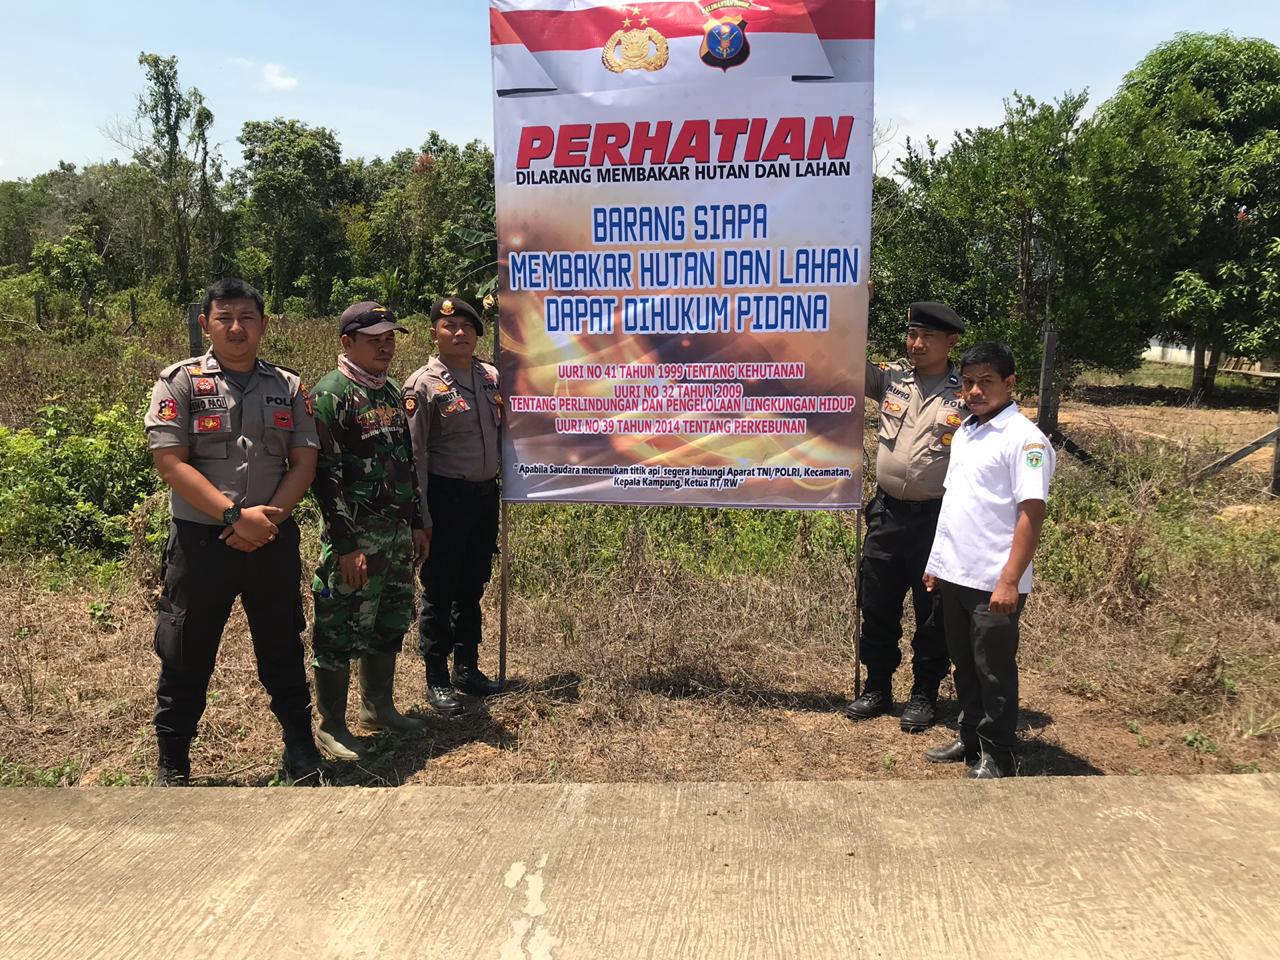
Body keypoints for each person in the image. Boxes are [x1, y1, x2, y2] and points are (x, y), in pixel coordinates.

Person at [144, 278, 326, 786]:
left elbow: (304, 461)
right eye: (224, 318)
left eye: (247, 318)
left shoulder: (287, 386)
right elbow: (171, 462)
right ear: (206, 324)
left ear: (264, 325)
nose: (236, 328)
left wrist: (266, 523)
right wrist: (233, 517)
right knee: (186, 650)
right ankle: (173, 761)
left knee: (283, 647)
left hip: (271, 541)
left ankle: (301, 751)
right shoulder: (179, 382)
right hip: (203, 543)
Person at [923, 341, 1055, 778]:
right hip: (957, 572)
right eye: (969, 382)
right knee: (964, 664)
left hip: (992, 581)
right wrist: (937, 563)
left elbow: (1030, 514)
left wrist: (1009, 581)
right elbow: (957, 503)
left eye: (987, 382)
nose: (975, 391)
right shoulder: (967, 430)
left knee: (993, 669)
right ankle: (969, 737)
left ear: (1010, 383)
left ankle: (999, 754)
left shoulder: (1024, 440)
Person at [308, 301, 430, 760]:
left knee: (389, 621)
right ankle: (331, 725)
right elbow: (327, 476)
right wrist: (346, 545)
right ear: (346, 342)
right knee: (338, 628)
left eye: (391, 337)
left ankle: (378, 707)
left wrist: (417, 521)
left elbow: (407, 461)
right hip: (357, 536)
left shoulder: (390, 391)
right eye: (375, 339)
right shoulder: (331, 394)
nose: (386, 346)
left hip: (396, 535)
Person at [846, 301, 967, 732]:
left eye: (927, 337)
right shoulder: (893, 379)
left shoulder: (966, 390)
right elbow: (844, 358)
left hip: (938, 520)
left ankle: (924, 694)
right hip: (888, 513)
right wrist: (853, 302)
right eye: (912, 335)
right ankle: (877, 687)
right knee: (877, 602)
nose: (916, 344)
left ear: (951, 342)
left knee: (933, 611)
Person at [403, 296, 503, 716]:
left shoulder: (492, 377)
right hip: (445, 497)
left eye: (467, 326)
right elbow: (415, 456)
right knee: (440, 589)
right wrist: (420, 517)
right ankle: (437, 678)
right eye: (450, 327)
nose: (459, 332)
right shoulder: (423, 385)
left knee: (473, 585)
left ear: (479, 333)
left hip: (484, 497)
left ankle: (467, 667)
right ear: (434, 334)